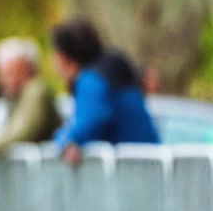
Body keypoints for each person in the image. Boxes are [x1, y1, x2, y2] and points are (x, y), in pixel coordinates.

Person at [51, 20, 160, 168]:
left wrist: (65, 140)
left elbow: (90, 119)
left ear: (64, 56)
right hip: (148, 163)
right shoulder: (112, 69)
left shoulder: (91, 80)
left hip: (130, 169)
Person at [0, 38, 61, 155]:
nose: (5, 80)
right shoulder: (13, 99)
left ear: (30, 69)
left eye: (11, 72)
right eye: (2, 73)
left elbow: (20, 134)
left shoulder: (36, 90)